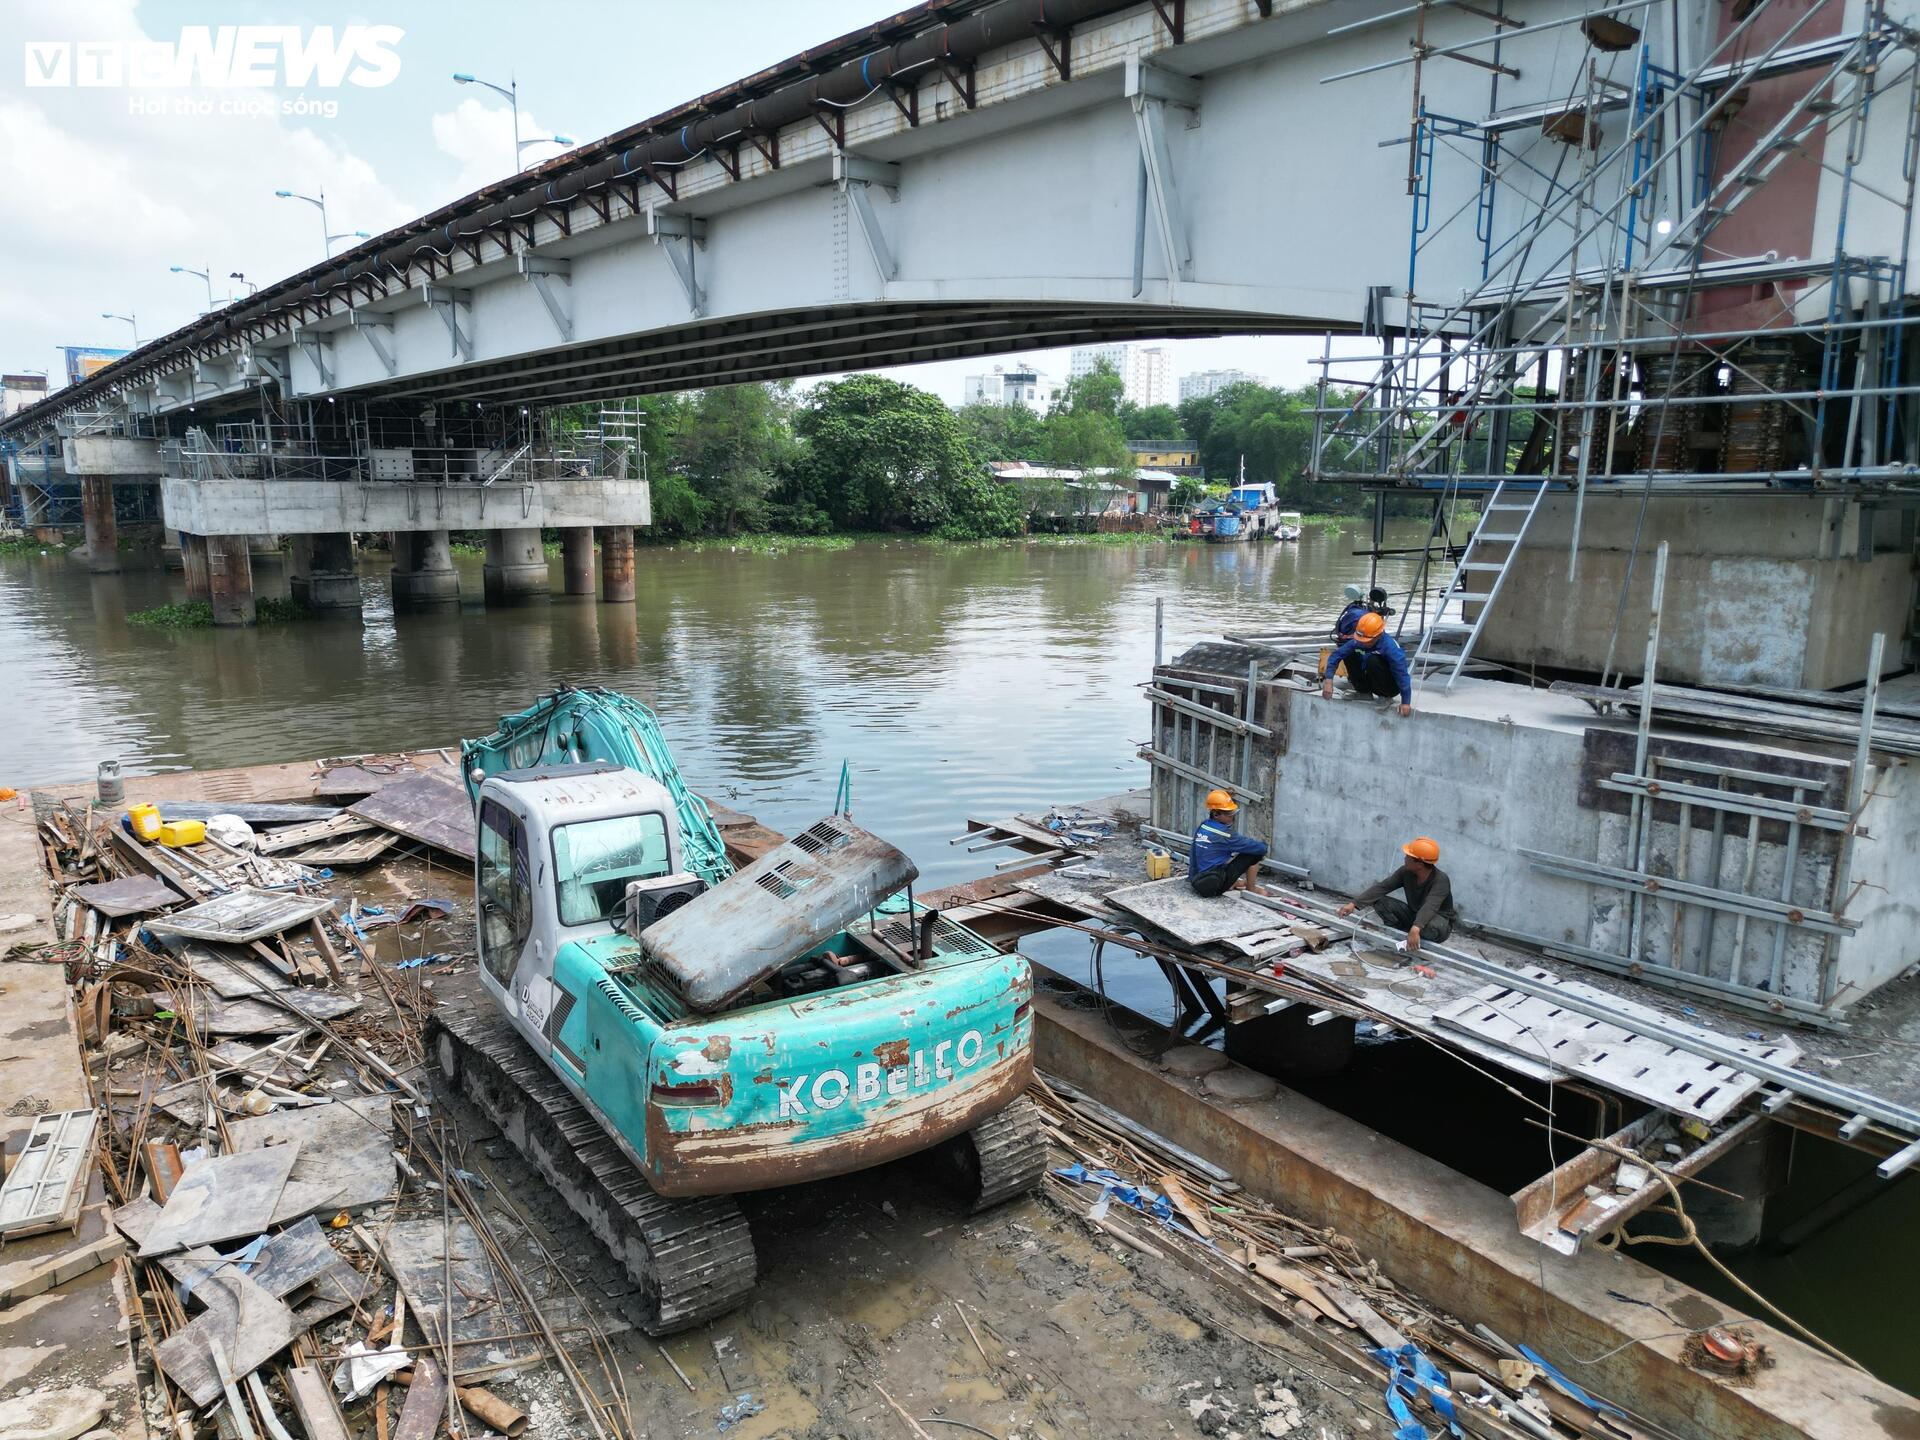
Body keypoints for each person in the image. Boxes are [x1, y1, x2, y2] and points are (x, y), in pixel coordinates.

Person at [1337, 837, 1455, 953]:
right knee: (1381, 901)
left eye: (1409, 856)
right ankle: (1402, 935)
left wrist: (1416, 927)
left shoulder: (1441, 880)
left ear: (1419, 863)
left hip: (1438, 923)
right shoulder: (1406, 872)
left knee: (1428, 927)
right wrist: (1354, 904)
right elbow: (1383, 887)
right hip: (1416, 916)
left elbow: (1431, 906)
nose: (1405, 858)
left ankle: (1416, 940)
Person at [1321, 612, 1413, 717]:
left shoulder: (1390, 648)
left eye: (1366, 641)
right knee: (1349, 654)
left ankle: (1385, 697)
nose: (1362, 643)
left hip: (1389, 686)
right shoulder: (1359, 641)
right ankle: (1363, 691)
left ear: (1377, 636)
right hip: (1371, 678)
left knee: (1372, 660)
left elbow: (1402, 674)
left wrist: (1406, 702)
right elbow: (1336, 656)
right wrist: (1328, 680)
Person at [1188, 789, 1268, 898]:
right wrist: (1264, 845)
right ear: (1216, 814)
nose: (1233, 817)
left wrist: (1191, 878)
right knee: (1254, 853)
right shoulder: (1226, 835)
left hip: (1197, 880)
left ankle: (1234, 883)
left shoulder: (1204, 826)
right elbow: (1261, 849)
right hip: (1213, 885)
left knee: (1225, 855)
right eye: (1229, 814)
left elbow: (1193, 854)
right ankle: (1251, 889)